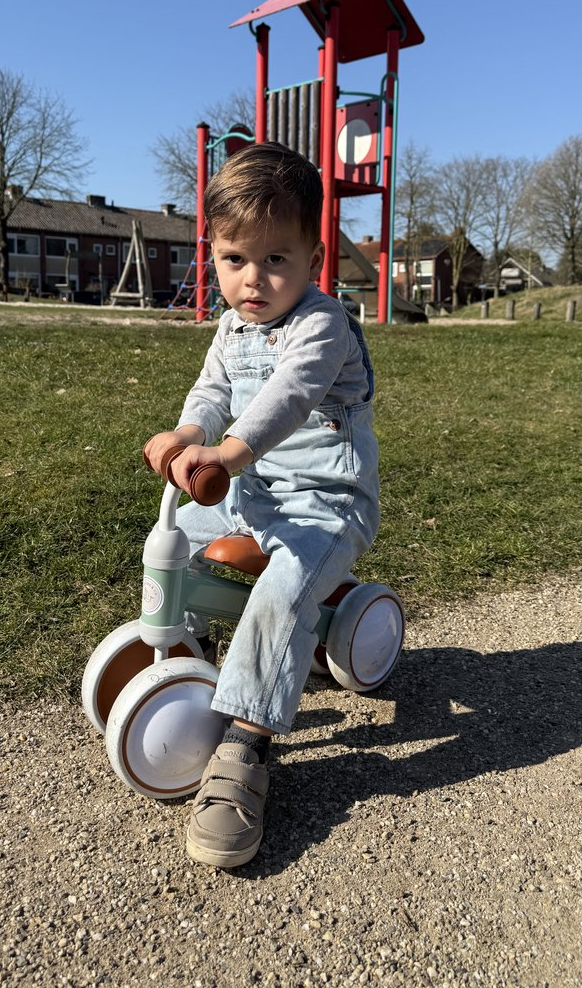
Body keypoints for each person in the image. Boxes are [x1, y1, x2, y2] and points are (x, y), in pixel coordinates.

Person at [143, 141, 380, 869]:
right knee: (175, 529)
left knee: (282, 592)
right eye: (234, 260)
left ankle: (246, 745)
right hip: (251, 495)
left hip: (326, 503)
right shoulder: (230, 326)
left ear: (313, 256)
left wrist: (228, 453)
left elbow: (290, 396)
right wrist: (188, 433)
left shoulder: (323, 324)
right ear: (214, 255)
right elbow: (214, 391)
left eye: (276, 259)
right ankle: (182, 652)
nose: (253, 280)